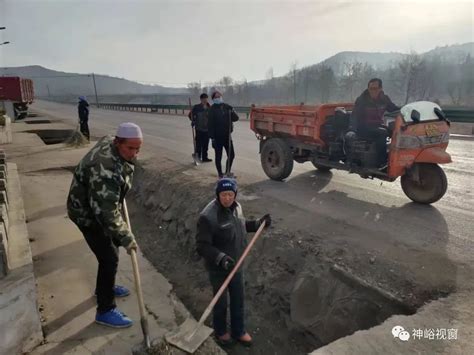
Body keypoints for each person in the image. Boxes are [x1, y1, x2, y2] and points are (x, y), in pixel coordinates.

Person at [67, 122, 143, 328]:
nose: (135, 153)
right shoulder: (105, 170)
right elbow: (107, 214)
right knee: (109, 257)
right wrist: (128, 238)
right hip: (86, 214)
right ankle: (105, 309)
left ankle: (105, 288)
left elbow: (109, 206)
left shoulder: (111, 140)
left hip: (98, 205)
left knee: (112, 248)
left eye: (138, 148)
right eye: (130, 148)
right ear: (118, 143)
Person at [196, 178, 271, 346]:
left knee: (238, 300)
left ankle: (239, 331)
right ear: (218, 194)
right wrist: (221, 258)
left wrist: (258, 224)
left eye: (231, 194)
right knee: (221, 302)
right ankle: (221, 331)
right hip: (218, 269)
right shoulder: (208, 216)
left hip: (236, 265)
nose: (227, 198)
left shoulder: (236, 208)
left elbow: (240, 226)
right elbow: (202, 246)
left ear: (235, 195)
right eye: (224, 195)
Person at [349, 78, 399, 168]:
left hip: (377, 125)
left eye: (375, 89)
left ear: (380, 89)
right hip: (363, 127)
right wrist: (352, 130)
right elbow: (354, 115)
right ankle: (382, 162)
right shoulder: (362, 100)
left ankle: (396, 157)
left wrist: (406, 110)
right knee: (382, 133)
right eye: (370, 89)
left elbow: (394, 109)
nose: (372, 91)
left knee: (396, 131)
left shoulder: (384, 99)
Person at [208, 91, 239, 178]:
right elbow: (209, 125)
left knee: (231, 155)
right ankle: (220, 174)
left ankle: (227, 172)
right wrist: (212, 138)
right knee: (218, 156)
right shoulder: (212, 109)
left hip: (227, 136)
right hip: (217, 137)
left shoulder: (227, 107)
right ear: (213, 99)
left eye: (219, 96)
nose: (218, 98)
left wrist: (232, 111)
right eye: (216, 97)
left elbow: (236, 118)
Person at [188, 93, 212, 162]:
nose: (205, 100)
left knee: (206, 145)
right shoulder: (196, 107)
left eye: (206, 99)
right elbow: (190, 115)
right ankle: (198, 158)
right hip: (199, 129)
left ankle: (205, 158)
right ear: (201, 99)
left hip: (207, 130)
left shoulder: (209, 108)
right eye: (203, 99)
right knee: (198, 145)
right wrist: (193, 120)